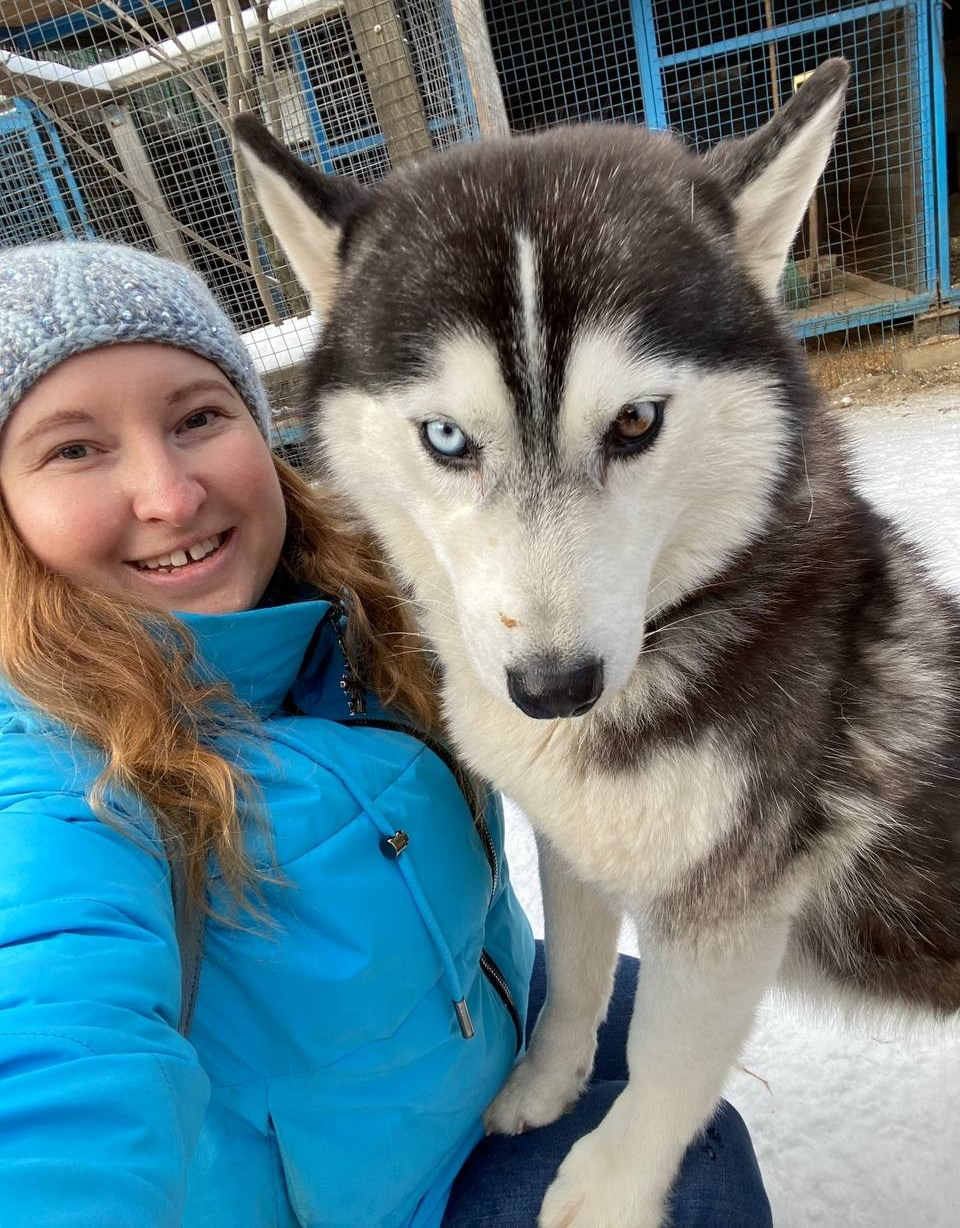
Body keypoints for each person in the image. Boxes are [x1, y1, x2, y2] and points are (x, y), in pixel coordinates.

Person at [0, 241, 771, 1228]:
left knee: (672, 1027)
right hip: (397, 1201)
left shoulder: (374, 595)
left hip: (490, 998)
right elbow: (50, 1037)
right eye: (74, 449)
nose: (170, 494)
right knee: (692, 1169)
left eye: (196, 417)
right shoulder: (55, 780)